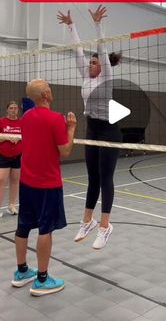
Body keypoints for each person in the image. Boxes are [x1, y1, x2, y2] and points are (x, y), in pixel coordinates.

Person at [57, 5, 122, 250]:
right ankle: (87, 221)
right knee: (92, 178)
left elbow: (101, 49)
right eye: (90, 62)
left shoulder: (106, 78)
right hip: (91, 130)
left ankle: (105, 226)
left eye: (95, 62)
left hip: (109, 131)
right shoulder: (86, 77)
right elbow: (78, 51)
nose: (90, 64)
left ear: (102, 66)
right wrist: (71, 26)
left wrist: (97, 24)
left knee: (106, 178)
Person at [11, 79, 76, 296]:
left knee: (23, 226)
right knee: (45, 229)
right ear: (46, 94)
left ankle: (21, 272)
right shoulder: (55, 119)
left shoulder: (26, 117)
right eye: (50, 88)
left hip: (27, 182)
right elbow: (65, 151)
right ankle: (42, 279)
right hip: (47, 184)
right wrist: (72, 128)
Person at [0, 101, 22, 217]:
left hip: (17, 156)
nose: (13, 110)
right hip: (3, 156)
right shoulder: (2, 122)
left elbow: (26, 137)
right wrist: (7, 137)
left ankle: (11, 205)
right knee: (1, 181)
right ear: (7, 109)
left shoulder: (21, 122)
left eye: (15, 108)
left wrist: (19, 139)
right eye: (11, 108)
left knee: (15, 181)